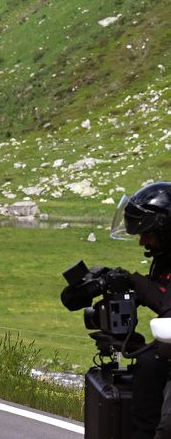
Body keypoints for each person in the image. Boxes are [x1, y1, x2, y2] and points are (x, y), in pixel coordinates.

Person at [110, 183, 171, 438]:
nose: (143, 241)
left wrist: (137, 282)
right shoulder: (164, 259)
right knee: (147, 362)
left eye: (148, 234)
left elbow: (167, 303)